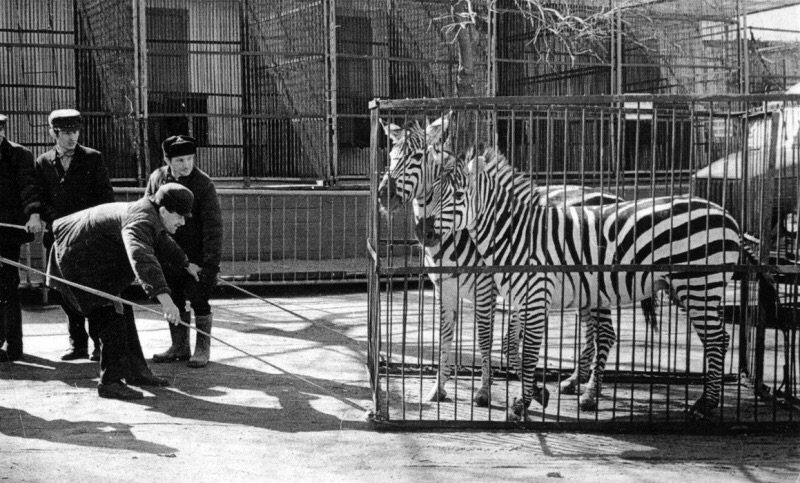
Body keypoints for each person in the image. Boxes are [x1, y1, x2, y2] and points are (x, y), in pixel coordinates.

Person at [46, 183, 199, 399]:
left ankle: (135, 372)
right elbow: (142, 258)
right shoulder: (141, 220)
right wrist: (166, 301)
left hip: (91, 259)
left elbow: (161, 240)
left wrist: (185, 263)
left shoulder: (150, 213)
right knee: (111, 316)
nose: (183, 222)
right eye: (180, 216)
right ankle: (110, 382)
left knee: (122, 311)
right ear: (164, 211)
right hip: (76, 260)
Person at [35, 109, 115, 361]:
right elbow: (40, 197)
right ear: (53, 133)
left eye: (75, 132)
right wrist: (53, 218)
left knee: (92, 292)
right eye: (66, 133)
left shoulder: (93, 158)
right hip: (58, 237)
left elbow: (105, 197)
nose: (72, 138)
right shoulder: (43, 162)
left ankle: (99, 345)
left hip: (87, 238)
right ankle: (77, 344)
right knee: (64, 292)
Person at [146, 135, 222, 369]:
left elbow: (213, 227)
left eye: (190, 159)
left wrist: (209, 264)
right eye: (180, 160)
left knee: (199, 299)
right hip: (167, 253)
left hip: (196, 256)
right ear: (167, 160)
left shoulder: (203, 183)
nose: (186, 165)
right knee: (174, 298)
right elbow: (149, 213)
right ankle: (179, 346)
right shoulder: (157, 178)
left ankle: (202, 348)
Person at [0, 114, 45, 362]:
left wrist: (33, 215)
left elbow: (28, 187)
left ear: (3, 131)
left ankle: (14, 346)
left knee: (8, 286)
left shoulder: (19, 155)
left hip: (6, 233)